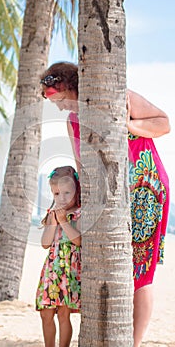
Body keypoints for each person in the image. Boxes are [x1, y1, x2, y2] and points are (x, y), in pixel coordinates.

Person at [40, 62, 170, 347]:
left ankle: (133, 343)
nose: (59, 108)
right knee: (112, 266)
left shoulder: (117, 96)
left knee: (141, 271)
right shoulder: (72, 120)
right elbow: (80, 165)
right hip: (107, 199)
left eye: (58, 100)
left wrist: (127, 124)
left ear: (67, 87)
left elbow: (163, 123)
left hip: (146, 188)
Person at [36, 165, 81, 347]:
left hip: (68, 271)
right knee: (46, 313)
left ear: (77, 191)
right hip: (52, 270)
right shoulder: (52, 215)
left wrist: (64, 221)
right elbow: (45, 243)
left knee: (63, 313)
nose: (61, 198)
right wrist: (54, 222)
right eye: (56, 194)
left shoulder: (79, 213)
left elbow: (78, 241)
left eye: (66, 193)